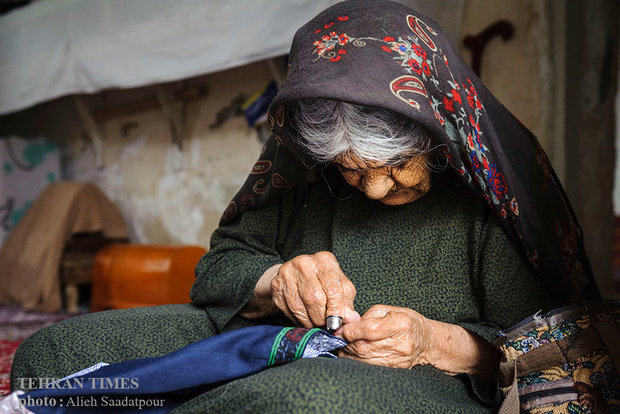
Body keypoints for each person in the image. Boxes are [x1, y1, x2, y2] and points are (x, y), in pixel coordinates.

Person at [11, 1, 599, 412]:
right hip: (266, 342)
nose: (372, 189)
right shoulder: (300, 173)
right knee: (54, 355)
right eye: (349, 169)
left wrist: (431, 341)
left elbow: (554, 345)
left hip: (433, 381)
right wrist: (273, 280)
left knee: (304, 401)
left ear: (434, 136)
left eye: (394, 166)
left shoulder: (489, 198)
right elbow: (215, 273)